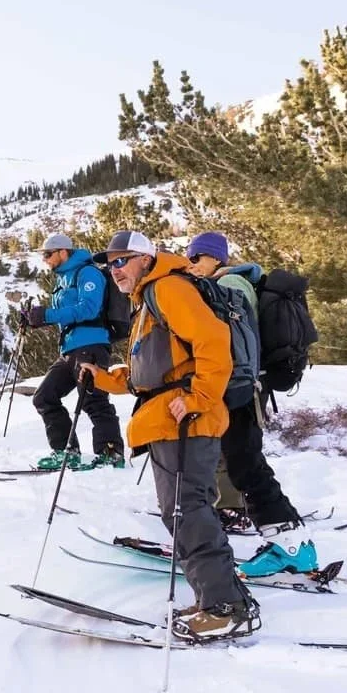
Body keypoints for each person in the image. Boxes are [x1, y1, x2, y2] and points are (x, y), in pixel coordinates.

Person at [77, 230, 259, 641]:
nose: (114, 270)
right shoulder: (148, 300)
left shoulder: (169, 289)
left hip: (186, 419)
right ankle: (221, 598)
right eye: (110, 264)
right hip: (169, 417)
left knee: (186, 510)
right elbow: (151, 376)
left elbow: (214, 341)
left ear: (144, 258)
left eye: (121, 260)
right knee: (183, 510)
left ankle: (224, 607)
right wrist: (104, 379)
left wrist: (198, 396)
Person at [184, 231, 317, 577]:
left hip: (239, 387)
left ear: (216, 258)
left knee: (246, 464)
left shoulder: (231, 284)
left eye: (197, 257)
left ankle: (290, 544)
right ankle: (293, 543)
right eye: (190, 257)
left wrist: (229, 384)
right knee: (242, 462)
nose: (191, 263)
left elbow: (235, 340)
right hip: (241, 386)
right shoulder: (236, 283)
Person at [20, 232, 125, 471]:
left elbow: (88, 308)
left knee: (93, 399)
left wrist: (46, 315)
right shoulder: (62, 280)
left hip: (91, 344)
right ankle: (66, 452)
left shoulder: (87, 273)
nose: (45, 259)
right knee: (44, 397)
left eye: (48, 254)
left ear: (63, 251)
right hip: (70, 348)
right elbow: (64, 314)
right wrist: (34, 318)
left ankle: (110, 452)